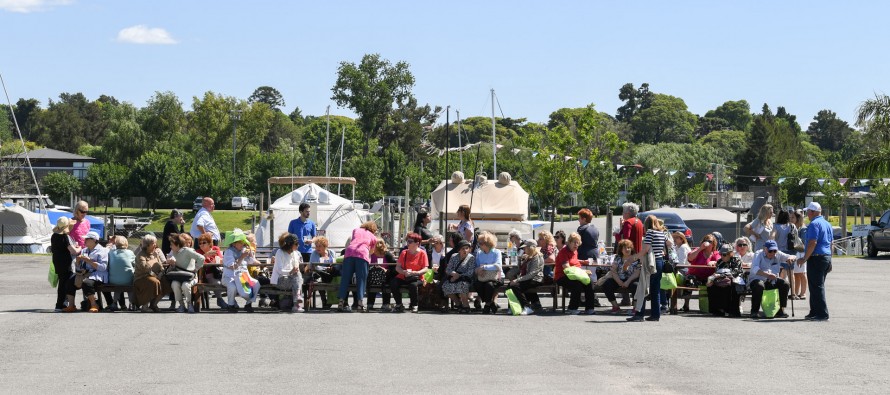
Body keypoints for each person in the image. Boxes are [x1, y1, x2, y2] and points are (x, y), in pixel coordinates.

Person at [627, 215, 672, 322]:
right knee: (655, 290)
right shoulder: (662, 233)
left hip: (650, 262)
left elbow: (645, 250)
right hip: (659, 262)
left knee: (643, 286)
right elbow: (670, 244)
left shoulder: (650, 233)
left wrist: (633, 258)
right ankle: (655, 315)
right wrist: (661, 251)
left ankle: (639, 314)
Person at [800, 202, 832, 321]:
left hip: (816, 257)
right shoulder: (827, 223)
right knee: (815, 286)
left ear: (813, 212)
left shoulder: (814, 224)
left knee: (816, 286)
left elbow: (812, 243)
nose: (807, 214)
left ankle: (822, 313)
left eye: (808, 211)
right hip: (825, 256)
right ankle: (814, 311)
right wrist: (830, 260)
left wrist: (804, 258)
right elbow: (831, 243)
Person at [62, 231, 109, 313]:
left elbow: (103, 267)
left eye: (87, 239)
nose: (85, 240)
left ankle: (94, 305)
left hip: (98, 275)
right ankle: (71, 305)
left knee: (87, 283)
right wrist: (78, 262)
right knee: (69, 282)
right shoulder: (84, 250)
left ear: (94, 240)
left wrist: (89, 261)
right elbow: (79, 268)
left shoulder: (103, 250)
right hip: (85, 274)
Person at [749, 240, 796, 319]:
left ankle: (780, 310)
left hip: (772, 280)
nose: (773, 253)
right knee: (759, 285)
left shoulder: (778, 254)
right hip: (758, 279)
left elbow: (792, 256)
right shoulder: (758, 254)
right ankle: (754, 311)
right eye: (770, 251)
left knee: (785, 284)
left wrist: (791, 258)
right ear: (765, 249)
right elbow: (755, 269)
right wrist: (767, 275)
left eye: (775, 250)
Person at [339, 221, 378, 312]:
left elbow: (352, 241)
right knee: (361, 279)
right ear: (373, 229)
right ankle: (360, 303)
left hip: (349, 252)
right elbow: (372, 251)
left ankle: (341, 302)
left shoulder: (356, 230)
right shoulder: (373, 237)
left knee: (345, 278)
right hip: (362, 254)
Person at [555, 232, 596, 315]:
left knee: (589, 282)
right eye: (574, 242)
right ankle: (572, 308)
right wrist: (583, 272)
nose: (576, 245)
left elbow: (574, 261)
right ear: (569, 242)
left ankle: (589, 308)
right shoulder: (563, 252)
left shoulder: (575, 251)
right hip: (562, 276)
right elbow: (566, 267)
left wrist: (582, 262)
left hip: (575, 275)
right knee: (577, 284)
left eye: (578, 243)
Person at [164, 233, 205, 313]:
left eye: (172, 245)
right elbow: (171, 265)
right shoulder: (174, 252)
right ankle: (181, 305)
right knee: (174, 284)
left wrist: (195, 268)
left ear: (178, 245)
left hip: (190, 277)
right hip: (179, 276)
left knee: (185, 285)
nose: (170, 246)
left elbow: (201, 258)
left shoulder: (188, 251)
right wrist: (171, 263)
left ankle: (189, 304)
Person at [222, 229, 261, 312]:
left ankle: (248, 304)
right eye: (239, 242)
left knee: (256, 284)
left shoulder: (244, 250)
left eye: (242, 241)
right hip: (229, 277)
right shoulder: (229, 252)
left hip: (243, 276)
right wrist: (242, 257)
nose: (242, 244)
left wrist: (251, 254)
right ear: (234, 243)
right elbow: (233, 267)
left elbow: (251, 261)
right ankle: (231, 305)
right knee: (232, 286)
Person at [390, 232, 429, 313]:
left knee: (413, 285)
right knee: (393, 283)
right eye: (407, 241)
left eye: (410, 241)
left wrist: (416, 272)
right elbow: (398, 267)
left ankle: (414, 305)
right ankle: (399, 304)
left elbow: (425, 269)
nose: (407, 243)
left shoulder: (422, 253)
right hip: (404, 275)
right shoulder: (404, 252)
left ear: (417, 243)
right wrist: (403, 272)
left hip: (417, 276)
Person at [506, 239, 545, 315]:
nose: (524, 249)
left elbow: (532, 274)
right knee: (510, 285)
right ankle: (512, 307)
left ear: (531, 248)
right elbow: (520, 269)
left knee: (516, 286)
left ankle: (527, 307)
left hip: (536, 279)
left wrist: (517, 280)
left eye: (525, 247)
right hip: (528, 278)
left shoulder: (537, 257)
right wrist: (520, 259)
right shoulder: (528, 256)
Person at [602, 239, 640, 314]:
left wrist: (627, 282)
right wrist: (619, 282)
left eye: (629, 247)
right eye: (625, 248)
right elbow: (613, 271)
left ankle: (635, 307)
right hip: (619, 279)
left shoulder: (635, 258)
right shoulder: (617, 258)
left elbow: (637, 273)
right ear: (621, 249)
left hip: (631, 279)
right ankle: (615, 306)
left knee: (636, 286)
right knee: (607, 284)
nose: (627, 249)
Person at [706, 244, 744, 317]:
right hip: (722, 280)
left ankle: (732, 311)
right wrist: (711, 279)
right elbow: (716, 272)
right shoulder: (720, 261)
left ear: (730, 254)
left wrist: (721, 275)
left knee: (733, 285)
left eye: (724, 254)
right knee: (711, 285)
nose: (722, 256)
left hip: (735, 280)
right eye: (720, 254)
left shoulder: (736, 260)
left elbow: (735, 273)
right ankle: (717, 310)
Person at [51, 217, 79, 312]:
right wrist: (80, 248)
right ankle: (60, 305)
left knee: (62, 283)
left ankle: (60, 304)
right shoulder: (65, 237)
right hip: (66, 263)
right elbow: (73, 251)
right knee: (66, 284)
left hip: (57, 262)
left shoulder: (54, 236)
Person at [133, 234, 167, 313]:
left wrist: (157, 260)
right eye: (153, 243)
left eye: (155, 243)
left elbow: (160, 267)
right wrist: (153, 261)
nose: (155, 245)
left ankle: (154, 304)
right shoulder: (140, 255)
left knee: (166, 282)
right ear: (147, 245)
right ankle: (145, 306)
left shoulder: (155, 254)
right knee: (154, 282)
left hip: (154, 276)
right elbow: (144, 267)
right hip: (141, 277)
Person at [272, 233, 304, 313]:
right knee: (298, 279)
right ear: (290, 245)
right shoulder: (279, 252)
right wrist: (290, 272)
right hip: (279, 280)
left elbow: (296, 267)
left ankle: (297, 298)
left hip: (292, 279)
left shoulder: (295, 253)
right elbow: (280, 270)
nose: (298, 245)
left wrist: (295, 270)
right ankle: (297, 304)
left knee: (298, 276)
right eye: (296, 244)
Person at [473, 231, 504, 314]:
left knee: (489, 285)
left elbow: (498, 266)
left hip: (496, 276)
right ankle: (491, 303)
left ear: (487, 243)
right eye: (479, 243)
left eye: (481, 243)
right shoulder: (479, 253)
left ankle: (487, 304)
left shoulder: (496, 252)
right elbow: (476, 266)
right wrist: (477, 270)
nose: (479, 244)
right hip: (483, 276)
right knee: (477, 284)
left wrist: (484, 267)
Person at [442, 240, 475, 313]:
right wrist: (454, 274)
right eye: (463, 248)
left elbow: (470, 272)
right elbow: (448, 269)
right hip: (454, 277)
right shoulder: (454, 256)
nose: (465, 250)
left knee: (461, 285)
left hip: (465, 278)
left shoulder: (471, 258)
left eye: (467, 248)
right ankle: (459, 304)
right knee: (445, 286)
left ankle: (466, 306)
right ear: (459, 250)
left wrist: (459, 276)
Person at [195, 232, 225, 309]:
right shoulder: (198, 252)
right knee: (217, 283)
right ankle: (220, 299)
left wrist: (217, 261)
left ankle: (232, 302)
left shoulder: (215, 249)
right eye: (200, 243)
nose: (201, 245)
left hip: (219, 272)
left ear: (209, 243)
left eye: (204, 243)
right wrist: (205, 255)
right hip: (205, 274)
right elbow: (198, 264)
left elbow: (221, 260)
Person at [307, 235, 337, 309]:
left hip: (330, 273)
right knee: (318, 277)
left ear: (325, 246)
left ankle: (333, 300)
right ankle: (324, 300)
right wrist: (325, 268)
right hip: (320, 273)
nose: (317, 248)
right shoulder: (314, 253)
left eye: (319, 246)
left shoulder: (331, 252)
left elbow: (336, 263)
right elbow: (313, 266)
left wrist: (331, 267)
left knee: (338, 273)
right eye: (316, 246)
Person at [366, 238, 396, 311]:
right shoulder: (370, 254)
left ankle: (386, 303)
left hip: (385, 275)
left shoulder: (387, 254)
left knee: (386, 282)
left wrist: (386, 270)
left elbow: (394, 268)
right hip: (373, 274)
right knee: (371, 280)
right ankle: (370, 304)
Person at [107, 236, 135, 311]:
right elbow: (135, 263)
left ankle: (114, 302)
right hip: (127, 280)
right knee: (129, 283)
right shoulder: (130, 252)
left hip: (113, 280)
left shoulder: (111, 252)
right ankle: (131, 303)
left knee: (118, 280)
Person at [791, 209, 808, 300]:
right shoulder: (793, 227)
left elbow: (804, 242)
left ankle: (803, 292)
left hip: (801, 252)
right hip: (794, 252)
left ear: (798, 218)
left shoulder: (803, 229)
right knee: (796, 274)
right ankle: (796, 292)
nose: (791, 219)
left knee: (802, 273)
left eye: (793, 217)